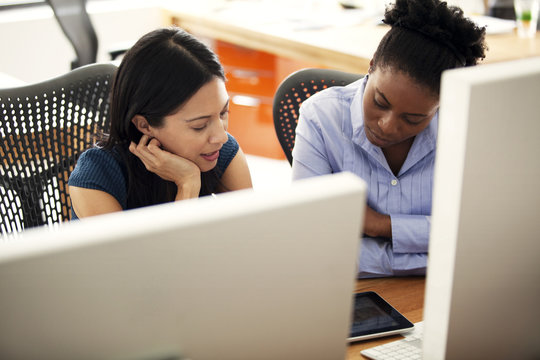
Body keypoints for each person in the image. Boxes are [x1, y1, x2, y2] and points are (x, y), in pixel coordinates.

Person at [291, 0, 487, 277]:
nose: (387, 126)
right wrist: (434, 255)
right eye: (380, 102)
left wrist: (379, 225)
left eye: (413, 119)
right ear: (371, 65)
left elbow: (478, 236)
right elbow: (309, 241)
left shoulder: (463, 127)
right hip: (349, 293)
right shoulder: (321, 117)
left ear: (442, 104)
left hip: (438, 294)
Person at [68, 27, 252, 219]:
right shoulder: (96, 176)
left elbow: (252, 234)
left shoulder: (219, 151)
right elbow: (166, 251)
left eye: (223, 113)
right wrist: (188, 184)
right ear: (145, 125)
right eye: (200, 125)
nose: (221, 136)